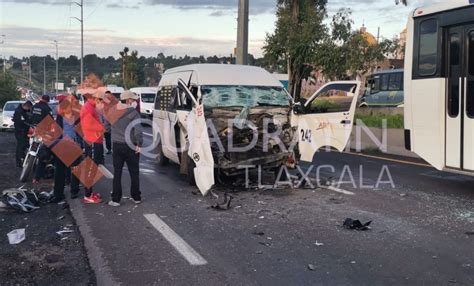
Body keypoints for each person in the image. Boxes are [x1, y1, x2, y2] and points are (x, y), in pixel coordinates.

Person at [108, 91, 143, 207]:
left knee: (117, 172)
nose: (135, 102)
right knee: (134, 172)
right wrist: (139, 144)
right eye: (133, 100)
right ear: (128, 100)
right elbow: (138, 130)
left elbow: (106, 127)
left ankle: (115, 199)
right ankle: (136, 197)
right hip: (131, 145)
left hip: (117, 145)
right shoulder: (133, 113)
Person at [51, 95, 82, 204]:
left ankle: (58, 194)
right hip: (72, 144)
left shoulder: (60, 116)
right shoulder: (77, 116)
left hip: (62, 145)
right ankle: (74, 191)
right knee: (75, 169)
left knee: (59, 171)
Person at [80, 91, 105, 204]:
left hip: (94, 140)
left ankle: (89, 192)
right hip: (93, 141)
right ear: (96, 99)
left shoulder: (90, 107)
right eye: (101, 101)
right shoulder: (88, 108)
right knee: (91, 169)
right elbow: (88, 125)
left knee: (93, 168)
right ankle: (88, 194)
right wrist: (102, 128)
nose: (102, 103)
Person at [31, 95, 53, 183]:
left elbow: (30, 115)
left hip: (34, 128)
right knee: (43, 153)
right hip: (43, 130)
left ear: (41, 99)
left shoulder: (34, 106)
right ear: (47, 101)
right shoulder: (46, 108)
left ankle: (36, 176)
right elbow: (50, 120)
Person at [13, 101, 33, 168]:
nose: (28, 110)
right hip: (20, 131)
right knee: (20, 147)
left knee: (23, 146)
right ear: (26, 106)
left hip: (23, 131)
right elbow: (22, 122)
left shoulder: (22, 111)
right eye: (29, 108)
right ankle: (19, 162)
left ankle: (22, 160)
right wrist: (29, 124)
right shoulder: (19, 112)